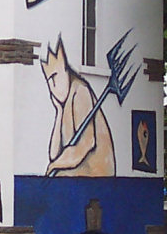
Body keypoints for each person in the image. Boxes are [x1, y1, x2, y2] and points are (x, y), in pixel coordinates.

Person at [41, 37, 115, 177]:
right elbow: (54, 155)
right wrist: (59, 112)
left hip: (95, 176)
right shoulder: (65, 102)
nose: (53, 86)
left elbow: (86, 144)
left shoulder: (80, 91)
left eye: (55, 77)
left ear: (66, 72)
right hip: (76, 175)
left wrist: (55, 165)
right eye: (49, 81)